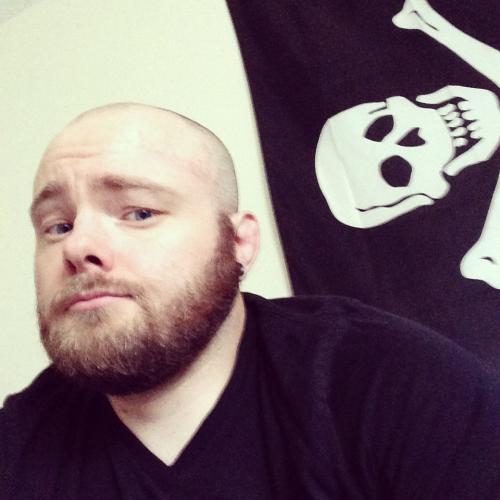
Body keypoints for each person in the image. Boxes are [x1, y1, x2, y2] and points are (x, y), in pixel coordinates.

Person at [0, 103, 498, 500]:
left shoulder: (395, 386)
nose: (77, 246)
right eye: (57, 226)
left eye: (139, 212)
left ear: (239, 243)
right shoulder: (19, 445)